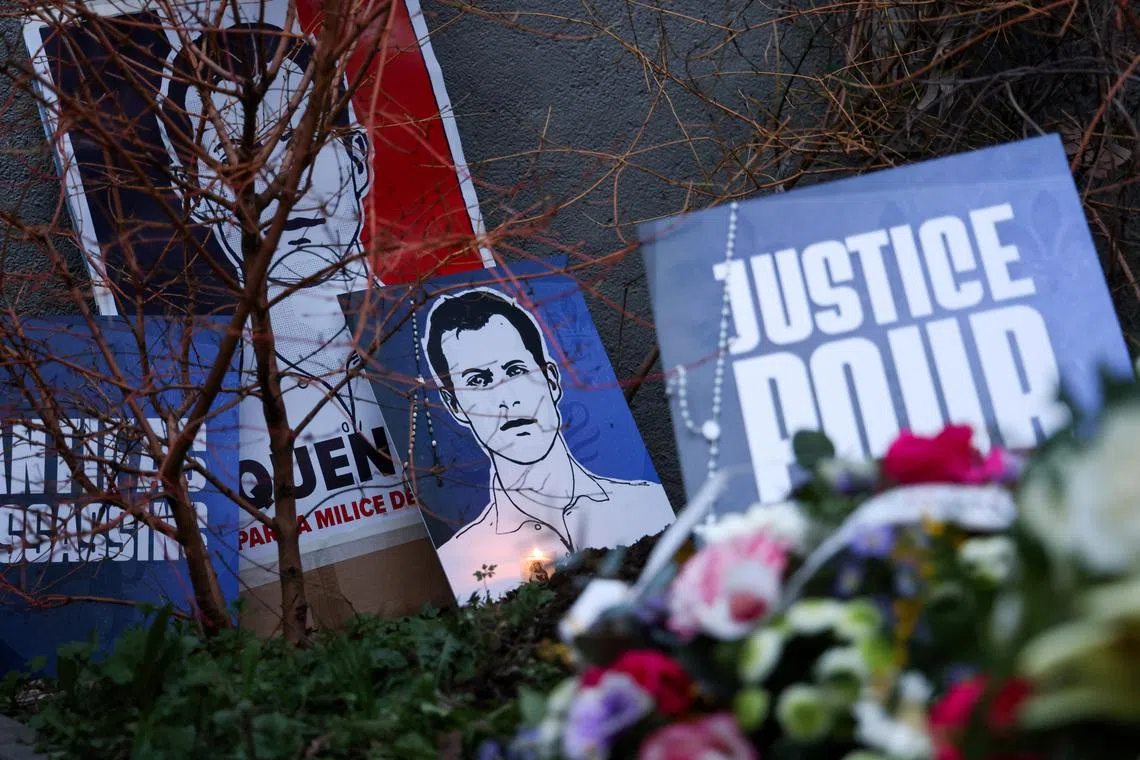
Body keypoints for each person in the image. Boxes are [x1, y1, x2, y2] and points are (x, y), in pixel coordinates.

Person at [158, 22, 382, 503]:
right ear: (194, 196)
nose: (281, 186)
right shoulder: (210, 415)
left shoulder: (444, 348)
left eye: (303, 140)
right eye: (237, 160)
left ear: (358, 157)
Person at [423, 288, 675, 601]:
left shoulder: (646, 506)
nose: (506, 398)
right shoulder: (464, 558)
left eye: (515, 370)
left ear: (552, 380)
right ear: (455, 406)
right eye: (478, 380)